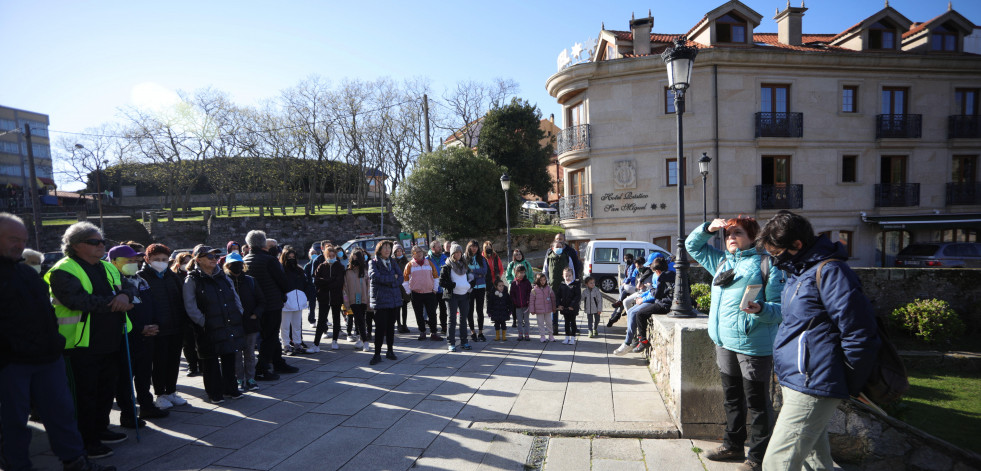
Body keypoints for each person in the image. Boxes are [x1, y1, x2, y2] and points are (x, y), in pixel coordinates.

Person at [756, 211, 880, 471]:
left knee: (776, 463)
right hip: (798, 378)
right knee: (816, 461)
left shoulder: (832, 272)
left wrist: (849, 382)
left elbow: (860, 332)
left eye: (776, 254)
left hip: (814, 382)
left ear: (797, 245)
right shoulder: (799, 272)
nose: (773, 261)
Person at [0, 214, 116, 470]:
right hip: (10, 363)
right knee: (13, 421)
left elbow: (46, 314)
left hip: (48, 359)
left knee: (61, 414)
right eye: (12, 239)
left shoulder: (26, 273)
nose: (19, 244)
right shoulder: (59, 270)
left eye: (23, 239)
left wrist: (53, 345)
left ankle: (76, 462)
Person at [686, 216, 784, 471]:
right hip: (724, 341)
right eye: (728, 234)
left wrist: (761, 309)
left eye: (737, 233)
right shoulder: (721, 261)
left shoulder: (767, 264)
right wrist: (708, 228)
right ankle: (733, 445)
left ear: (753, 238)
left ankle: (758, 457)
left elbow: (782, 308)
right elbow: (692, 247)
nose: (730, 237)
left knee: (758, 403)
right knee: (732, 398)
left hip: (754, 345)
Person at [47, 222, 134, 458]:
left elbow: (128, 286)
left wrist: (125, 295)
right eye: (94, 242)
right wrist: (115, 303)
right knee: (85, 395)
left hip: (111, 340)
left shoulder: (107, 267)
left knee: (106, 391)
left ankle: (100, 429)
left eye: (102, 241)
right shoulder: (63, 270)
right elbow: (77, 301)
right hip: (80, 346)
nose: (101, 245)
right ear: (76, 246)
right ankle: (86, 440)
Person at [108, 244, 168, 429]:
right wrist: (140, 328)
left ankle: (147, 406)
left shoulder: (141, 280)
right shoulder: (113, 283)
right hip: (128, 337)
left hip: (148, 335)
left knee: (144, 373)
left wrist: (156, 324)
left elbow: (152, 303)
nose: (135, 263)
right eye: (130, 261)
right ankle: (128, 415)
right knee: (126, 378)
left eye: (136, 260)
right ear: (115, 262)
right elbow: (118, 313)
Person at [183, 245, 246, 403]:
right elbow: (190, 305)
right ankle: (214, 392)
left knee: (229, 356)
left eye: (215, 256)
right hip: (207, 326)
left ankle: (231, 388)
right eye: (209, 256)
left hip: (228, 322)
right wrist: (203, 322)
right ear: (198, 259)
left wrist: (239, 313)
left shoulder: (224, 277)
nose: (214, 259)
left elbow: (234, 296)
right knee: (210, 361)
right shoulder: (192, 279)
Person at [138, 244, 189, 413]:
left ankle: (171, 391)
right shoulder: (142, 277)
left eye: (164, 260)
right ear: (147, 259)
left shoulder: (172, 277)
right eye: (156, 260)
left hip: (175, 326)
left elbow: (180, 300)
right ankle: (160, 394)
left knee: (173, 361)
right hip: (156, 329)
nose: (161, 263)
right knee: (159, 362)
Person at [244, 230, 298, 380]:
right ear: (263, 243)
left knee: (269, 337)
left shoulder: (246, 258)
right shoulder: (269, 260)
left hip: (256, 304)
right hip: (271, 303)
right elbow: (283, 282)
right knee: (270, 337)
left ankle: (278, 362)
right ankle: (262, 368)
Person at [612, 257, 675, 355]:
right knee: (630, 310)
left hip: (657, 302)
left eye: (650, 265)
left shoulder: (660, 276)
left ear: (657, 269)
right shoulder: (660, 274)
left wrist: (643, 298)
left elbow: (655, 293)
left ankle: (629, 342)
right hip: (653, 299)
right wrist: (642, 296)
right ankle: (632, 339)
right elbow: (651, 290)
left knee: (635, 313)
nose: (649, 267)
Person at [223, 252, 264, 392]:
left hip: (250, 323)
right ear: (227, 266)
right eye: (234, 264)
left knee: (250, 352)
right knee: (236, 354)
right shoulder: (224, 282)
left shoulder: (250, 280)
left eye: (239, 264)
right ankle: (239, 378)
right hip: (233, 324)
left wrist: (255, 314)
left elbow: (261, 300)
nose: (237, 266)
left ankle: (251, 378)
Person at [368, 240, 402, 365]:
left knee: (390, 328)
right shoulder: (373, 262)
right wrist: (392, 279)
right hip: (380, 300)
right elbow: (375, 277)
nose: (387, 250)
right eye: (385, 247)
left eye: (389, 247)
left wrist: (390, 281)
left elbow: (401, 276)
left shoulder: (393, 262)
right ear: (379, 249)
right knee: (380, 329)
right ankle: (377, 354)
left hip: (393, 299)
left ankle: (390, 351)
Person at [403, 245, 443, 341]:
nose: (419, 253)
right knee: (418, 314)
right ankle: (422, 332)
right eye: (417, 252)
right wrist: (409, 291)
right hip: (416, 293)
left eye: (420, 251)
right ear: (413, 254)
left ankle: (433, 333)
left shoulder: (429, 263)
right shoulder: (409, 265)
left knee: (432, 313)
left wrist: (435, 289)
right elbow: (405, 279)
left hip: (429, 292)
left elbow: (436, 277)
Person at [439, 242, 473, 352]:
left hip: (464, 295)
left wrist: (470, 285)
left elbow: (470, 278)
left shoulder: (464, 265)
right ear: (452, 253)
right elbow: (441, 282)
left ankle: (464, 341)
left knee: (463, 320)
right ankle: (451, 343)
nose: (458, 254)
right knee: (452, 320)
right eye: (456, 252)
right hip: (452, 296)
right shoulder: (447, 266)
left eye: (460, 252)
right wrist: (453, 285)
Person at [171, 252, 200, 378]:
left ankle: (201, 364)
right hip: (183, 315)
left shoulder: (195, 276)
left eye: (189, 261)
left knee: (199, 341)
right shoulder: (175, 277)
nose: (186, 264)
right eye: (184, 262)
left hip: (195, 312)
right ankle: (192, 366)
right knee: (188, 344)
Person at [279, 246, 311, 355]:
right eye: (289, 257)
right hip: (286, 302)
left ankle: (297, 344)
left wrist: (304, 296)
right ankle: (286, 345)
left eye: (293, 257)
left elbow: (305, 284)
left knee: (297, 325)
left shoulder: (299, 270)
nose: (291, 259)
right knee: (285, 326)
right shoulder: (281, 270)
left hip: (298, 301)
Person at [313, 246, 345, 351]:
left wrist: (325, 282)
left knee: (336, 319)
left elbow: (339, 282)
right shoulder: (321, 266)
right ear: (325, 256)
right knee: (321, 320)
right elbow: (316, 281)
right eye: (329, 256)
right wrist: (330, 280)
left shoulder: (339, 267)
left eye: (333, 255)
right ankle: (316, 343)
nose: (331, 257)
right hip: (324, 298)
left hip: (336, 297)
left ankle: (335, 341)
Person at [543, 240, 575, 335]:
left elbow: (572, 270)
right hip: (553, 286)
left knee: (566, 306)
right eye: (556, 246)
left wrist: (572, 283)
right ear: (552, 248)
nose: (558, 248)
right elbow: (545, 271)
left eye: (560, 246)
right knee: (554, 308)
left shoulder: (567, 257)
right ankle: (554, 327)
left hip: (565, 287)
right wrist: (547, 282)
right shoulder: (548, 258)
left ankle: (568, 327)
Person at [342, 248, 371, 352]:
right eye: (353, 258)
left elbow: (368, 286)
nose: (355, 260)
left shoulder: (364, 271)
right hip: (352, 300)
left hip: (363, 299)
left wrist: (368, 300)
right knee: (359, 319)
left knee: (361, 320)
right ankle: (365, 342)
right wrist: (346, 302)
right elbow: (344, 288)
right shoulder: (347, 271)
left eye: (356, 258)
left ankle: (360, 339)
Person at [464, 240, 489, 342]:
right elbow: (464, 272)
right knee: (470, 310)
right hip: (470, 287)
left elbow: (484, 272)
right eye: (472, 246)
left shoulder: (482, 258)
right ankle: (473, 332)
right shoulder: (465, 258)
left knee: (480, 310)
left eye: (476, 246)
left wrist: (473, 271)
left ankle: (481, 332)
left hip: (481, 287)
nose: (474, 248)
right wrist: (478, 274)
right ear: (468, 247)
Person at [505, 248, 534, 329]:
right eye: (516, 255)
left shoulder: (527, 264)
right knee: (514, 304)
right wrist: (511, 282)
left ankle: (524, 319)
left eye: (519, 254)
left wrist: (528, 282)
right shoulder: (511, 264)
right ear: (514, 256)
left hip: (525, 287)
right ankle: (515, 320)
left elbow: (531, 275)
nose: (518, 256)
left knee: (524, 304)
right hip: (515, 287)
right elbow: (508, 275)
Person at [426, 240, 448, 334]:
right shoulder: (427, 259)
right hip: (432, 289)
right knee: (432, 310)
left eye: (440, 246)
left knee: (443, 309)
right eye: (438, 246)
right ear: (433, 248)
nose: (441, 248)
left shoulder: (445, 257)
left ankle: (444, 327)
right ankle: (433, 328)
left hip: (443, 288)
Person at [555, 267, 581, 345]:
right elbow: (558, 296)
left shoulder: (575, 285)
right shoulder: (562, 285)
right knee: (566, 323)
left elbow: (577, 296)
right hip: (565, 307)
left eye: (569, 276)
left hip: (573, 308)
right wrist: (559, 304)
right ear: (563, 276)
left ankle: (573, 338)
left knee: (573, 322)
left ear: (572, 276)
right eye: (566, 276)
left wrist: (572, 305)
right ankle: (567, 337)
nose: (568, 277)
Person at [529, 273, 556, 342]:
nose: (543, 281)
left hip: (548, 310)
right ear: (537, 280)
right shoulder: (534, 290)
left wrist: (554, 307)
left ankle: (551, 335)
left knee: (549, 323)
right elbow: (531, 301)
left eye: (544, 280)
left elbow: (553, 298)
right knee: (540, 323)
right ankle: (542, 336)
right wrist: (532, 310)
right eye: (541, 280)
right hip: (539, 311)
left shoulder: (549, 289)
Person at [509, 265, 532, 341]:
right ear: (516, 273)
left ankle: (527, 334)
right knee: (519, 321)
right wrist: (515, 302)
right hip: (517, 306)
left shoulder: (527, 282)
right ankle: (520, 334)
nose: (522, 274)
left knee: (526, 321)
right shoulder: (513, 283)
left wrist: (528, 300)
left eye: (523, 272)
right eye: (520, 272)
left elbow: (530, 292)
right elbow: (512, 294)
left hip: (526, 305)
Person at [392, 245, 411, 334]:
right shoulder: (392, 262)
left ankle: (404, 324)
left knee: (404, 306)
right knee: (397, 307)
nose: (399, 252)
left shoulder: (406, 261)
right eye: (397, 251)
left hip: (405, 286)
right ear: (395, 253)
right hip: (396, 286)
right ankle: (399, 324)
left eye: (400, 251)